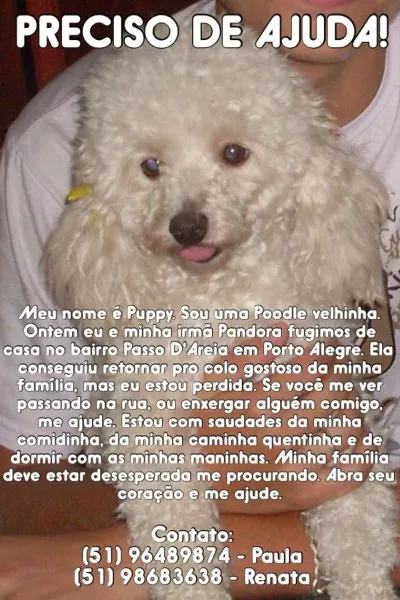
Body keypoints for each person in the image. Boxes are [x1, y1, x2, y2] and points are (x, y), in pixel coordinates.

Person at [1, 0, 400, 598]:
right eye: (153, 167)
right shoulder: (55, 149)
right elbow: (17, 492)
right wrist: (195, 491)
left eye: (233, 155)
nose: (189, 212)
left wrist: (136, 561)